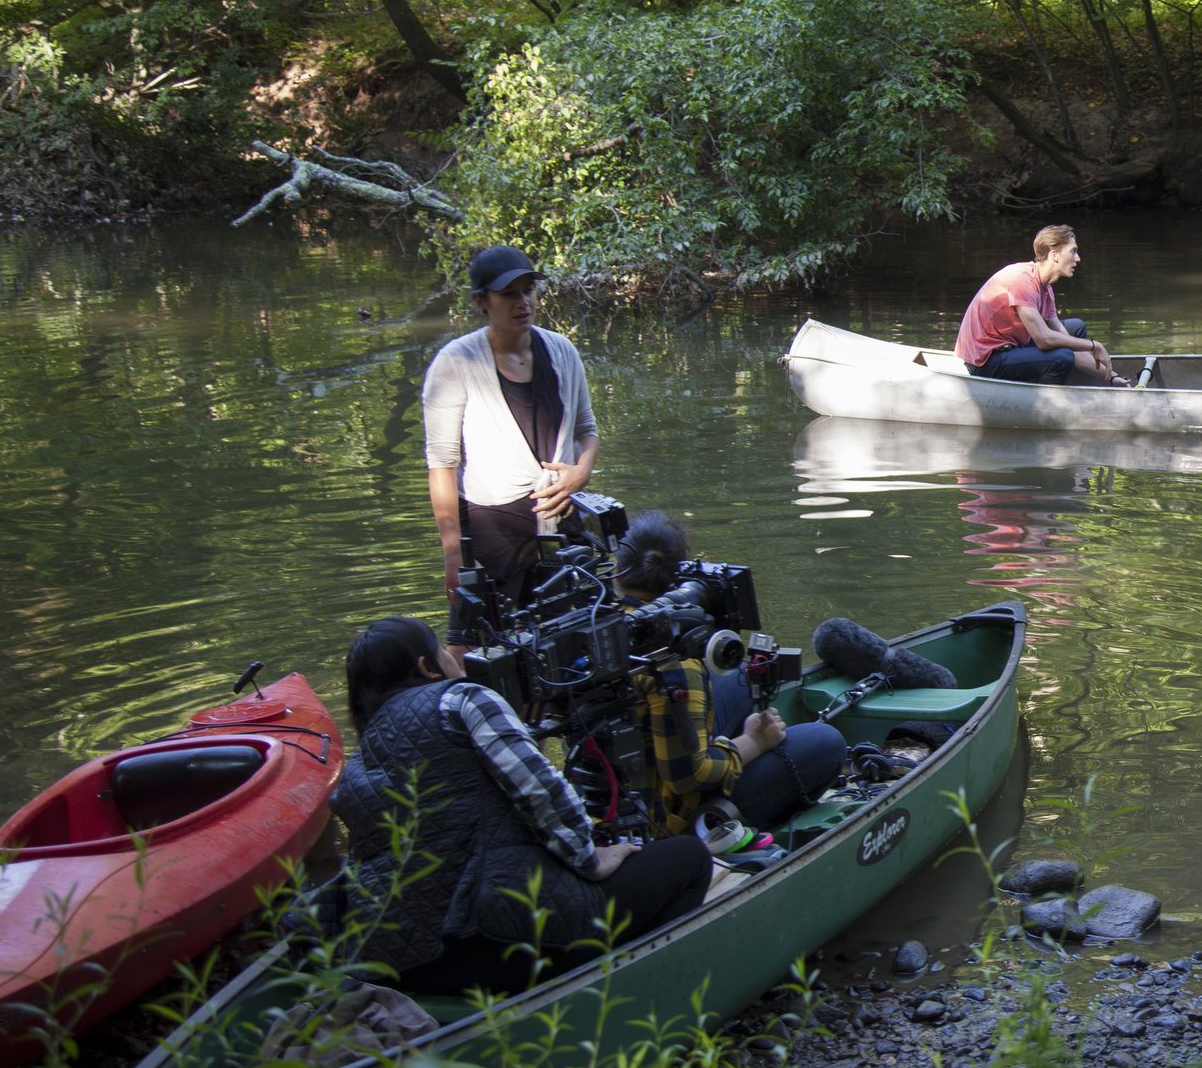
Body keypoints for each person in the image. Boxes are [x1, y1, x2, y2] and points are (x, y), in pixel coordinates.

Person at [331, 616, 711, 995]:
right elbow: (540, 789)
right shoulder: (460, 698)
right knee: (690, 858)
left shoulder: (360, 760)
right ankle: (641, 998)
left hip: (400, 964)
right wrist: (590, 860)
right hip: (491, 941)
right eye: (440, 651)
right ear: (426, 667)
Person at [615, 511, 847, 852]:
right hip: (665, 822)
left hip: (620, 788)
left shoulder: (602, 625)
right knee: (825, 742)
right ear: (682, 577)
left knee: (737, 675)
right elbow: (686, 775)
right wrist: (754, 741)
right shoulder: (674, 660)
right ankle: (729, 825)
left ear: (619, 568)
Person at [423, 244, 601, 633]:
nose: (523, 302)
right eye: (508, 294)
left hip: (558, 513)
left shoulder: (561, 351)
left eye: (528, 290)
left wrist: (580, 473)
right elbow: (441, 464)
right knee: (478, 645)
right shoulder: (455, 363)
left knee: (574, 636)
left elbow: (587, 430)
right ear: (481, 302)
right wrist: (453, 552)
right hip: (491, 526)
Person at [955, 225, 1130, 386]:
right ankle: (1044, 401)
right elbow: (1044, 339)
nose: (1078, 259)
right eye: (1073, 251)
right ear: (1054, 255)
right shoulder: (1021, 280)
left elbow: (1064, 337)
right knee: (1062, 357)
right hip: (985, 362)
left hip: (1010, 348)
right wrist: (1095, 345)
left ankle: (1049, 378)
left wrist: (1112, 376)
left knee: (1075, 329)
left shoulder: (1045, 288)